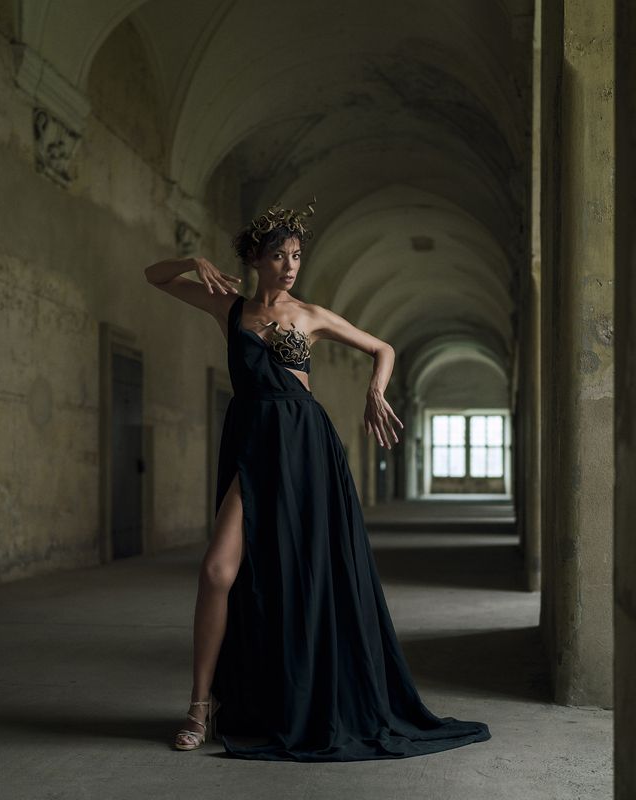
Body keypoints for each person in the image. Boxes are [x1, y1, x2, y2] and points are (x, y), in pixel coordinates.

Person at [143, 198, 491, 761]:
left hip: (305, 446)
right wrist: (190, 259)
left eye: (297, 256)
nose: (289, 266)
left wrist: (376, 390)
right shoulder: (228, 309)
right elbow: (152, 278)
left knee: (306, 574)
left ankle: (303, 698)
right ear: (255, 258)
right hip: (254, 443)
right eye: (278, 255)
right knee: (217, 570)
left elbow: (384, 347)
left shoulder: (311, 315)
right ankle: (199, 706)